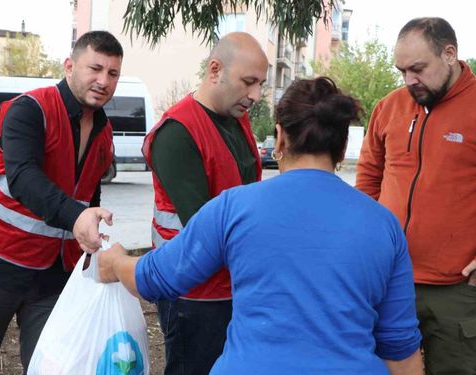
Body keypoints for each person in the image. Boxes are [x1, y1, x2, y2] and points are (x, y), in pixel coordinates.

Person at [97, 77, 423, 374]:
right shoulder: (383, 224)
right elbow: (401, 352)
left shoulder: (234, 207)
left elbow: (157, 278)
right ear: (340, 148)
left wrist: (115, 262)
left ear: (280, 138)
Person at [0, 30, 122, 374]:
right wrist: (77, 217)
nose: (103, 81)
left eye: (112, 73)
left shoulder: (103, 129)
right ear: (69, 66)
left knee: (51, 367)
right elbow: (24, 177)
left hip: (54, 274)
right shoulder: (30, 109)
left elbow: (89, 193)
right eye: (95, 68)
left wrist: (89, 239)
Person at [356, 17, 476, 374]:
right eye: (402, 70)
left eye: (418, 69)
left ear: (450, 54)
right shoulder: (389, 107)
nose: (410, 80)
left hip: (457, 286)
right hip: (388, 277)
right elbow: (368, 179)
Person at [139, 32, 265, 374]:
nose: (255, 95)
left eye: (260, 85)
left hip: (231, 286)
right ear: (215, 70)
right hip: (192, 293)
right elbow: (202, 228)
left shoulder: (236, 118)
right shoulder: (178, 132)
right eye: (248, 82)